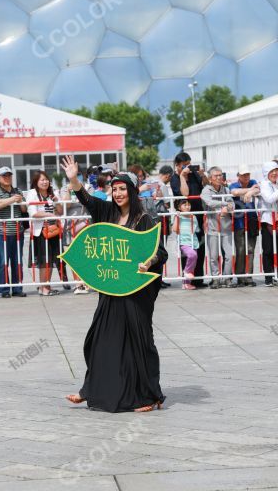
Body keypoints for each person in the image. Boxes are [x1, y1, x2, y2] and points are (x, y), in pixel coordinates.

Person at [60, 155, 167, 413]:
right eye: (114, 189)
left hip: (136, 292)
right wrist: (74, 179)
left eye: (122, 189)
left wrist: (149, 262)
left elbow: (161, 252)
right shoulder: (107, 212)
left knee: (140, 344)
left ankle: (150, 396)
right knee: (100, 339)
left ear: (131, 191)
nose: (118, 194)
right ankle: (92, 389)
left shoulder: (144, 219)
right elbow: (85, 199)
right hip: (112, 289)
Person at [0, 166, 27, 298]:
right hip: (1, 232)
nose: (7, 178)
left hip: (17, 232)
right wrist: (13, 199)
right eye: (4, 176)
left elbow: (23, 209)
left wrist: (21, 200)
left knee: (17, 262)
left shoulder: (18, 191)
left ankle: (17, 288)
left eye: (9, 175)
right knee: (3, 262)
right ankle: (4, 290)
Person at [170, 152, 207, 287]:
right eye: (185, 165)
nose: (188, 167)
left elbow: (206, 187)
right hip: (184, 218)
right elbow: (184, 194)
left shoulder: (195, 174)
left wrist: (202, 174)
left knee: (200, 248)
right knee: (187, 250)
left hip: (198, 215)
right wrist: (182, 176)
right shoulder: (175, 178)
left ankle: (199, 278)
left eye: (189, 164)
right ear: (178, 165)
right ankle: (187, 280)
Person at [26, 170, 65, 296]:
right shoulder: (32, 193)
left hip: (54, 231)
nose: (45, 182)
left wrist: (56, 200)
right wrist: (48, 214)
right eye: (42, 180)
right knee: (44, 261)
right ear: (36, 182)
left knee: (52, 260)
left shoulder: (52, 193)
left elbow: (60, 211)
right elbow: (33, 213)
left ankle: (46, 285)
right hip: (41, 232)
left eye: (46, 179)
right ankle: (44, 287)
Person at [201, 166, 236, 288]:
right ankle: (215, 278)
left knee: (229, 255)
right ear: (210, 178)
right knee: (213, 256)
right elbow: (209, 202)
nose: (219, 177)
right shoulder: (206, 190)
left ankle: (227, 278)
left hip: (226, 227)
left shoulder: (226, 189)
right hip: (213, 227)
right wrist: (224, 204)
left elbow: (232, 204)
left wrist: (228, 207)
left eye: (221, 175)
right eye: (216, 175)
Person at [258, 161, 278, 287]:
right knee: (268, 249)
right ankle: (268, 277)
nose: (275, 173)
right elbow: (269, 198)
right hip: (268, 221)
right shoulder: (264, 184)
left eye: (276, 171)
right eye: (272, 171)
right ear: (267, 173)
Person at [228, 165, 260, 287]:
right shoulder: (235, 185)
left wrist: (251, 191)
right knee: (240, 250)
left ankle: (249, 276)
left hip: (252, 219)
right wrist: (250, 190)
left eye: (247, 174)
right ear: (238, 176)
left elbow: (257, 189)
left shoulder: (253, 182)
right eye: (243, 175)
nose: (246, 177)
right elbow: (234, 192)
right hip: (239, 221)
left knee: (251, 249)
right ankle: (240, 276)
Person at [172, 198, 198, 290]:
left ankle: (186, 283)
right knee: (192, 255)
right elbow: (174, 229)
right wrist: (177, 217)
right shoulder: (178, 216)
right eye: (185, 205)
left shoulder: (193, 216)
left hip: (193, 241)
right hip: (183, 242)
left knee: (193, 262)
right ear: (179, 207)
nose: (187, 206)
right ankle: (186, 271)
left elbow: (196, 229)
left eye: (188, 205)